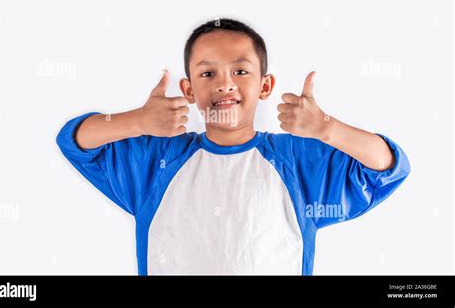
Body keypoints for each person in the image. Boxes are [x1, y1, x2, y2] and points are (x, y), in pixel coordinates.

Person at [56, 18, 411, 275]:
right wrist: (139, 121)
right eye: (208, 74)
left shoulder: (297, 162)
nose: (225, 85)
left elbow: (385, 167)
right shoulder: (157, 160)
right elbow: (76, 141)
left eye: (240, 72)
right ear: (189, 89)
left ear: (265, 85)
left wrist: (325, 128)